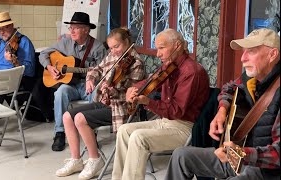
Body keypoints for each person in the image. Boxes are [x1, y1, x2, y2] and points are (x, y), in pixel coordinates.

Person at [164, 28, 280, 180]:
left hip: (266, 170)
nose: (242, 58)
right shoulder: (251, 79)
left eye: (251, 51)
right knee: (181, 155)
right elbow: (228, 88)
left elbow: (278, 154)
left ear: (273, 54)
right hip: (240, 158)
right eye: (243, 52)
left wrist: (241, 154)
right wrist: (222, 110)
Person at [111, 28, 210, 180]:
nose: (158, 54)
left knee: (139, 137)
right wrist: (134, 89)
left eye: (161, 48)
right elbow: (150, 82)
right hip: (166, 122)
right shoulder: (168, 65)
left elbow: (176, 111)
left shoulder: (192, 72)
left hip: (184, 127)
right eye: (157, 48)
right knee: (124, 130)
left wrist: (148, 102)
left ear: (177, 45)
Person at [55, 27, 145, 179]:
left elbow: (130, 95)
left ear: (127, 42)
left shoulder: (136, 63)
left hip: (122, 108)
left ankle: (95, 159)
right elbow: (95, 69)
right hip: (106, 102)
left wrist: (111, 90)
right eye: (111, 48)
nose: (114, 51)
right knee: (67, 116)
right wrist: (90, 80)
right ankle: (76, 159)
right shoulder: (112, 56)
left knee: (80, 119)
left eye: (117, 46)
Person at [35, 11, 108, 151]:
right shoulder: (65, 42)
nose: (72, 30)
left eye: (76, 27)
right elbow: (44, 54)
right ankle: (60, 132)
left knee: (97, 94)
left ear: (86, 30)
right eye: (71, 27)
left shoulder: (98, 47)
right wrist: (49, 67)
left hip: (89, 84)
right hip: (72, 85)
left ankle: (91, 133)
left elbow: (104, 71)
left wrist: (92, 78)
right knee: (60, 92)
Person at [0, 11, 36, 138]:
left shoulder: (24, 42)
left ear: (11, 26)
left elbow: (30, 70)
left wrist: (14, 61)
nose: (1, 32)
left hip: (17, 79)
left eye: (4, 29)